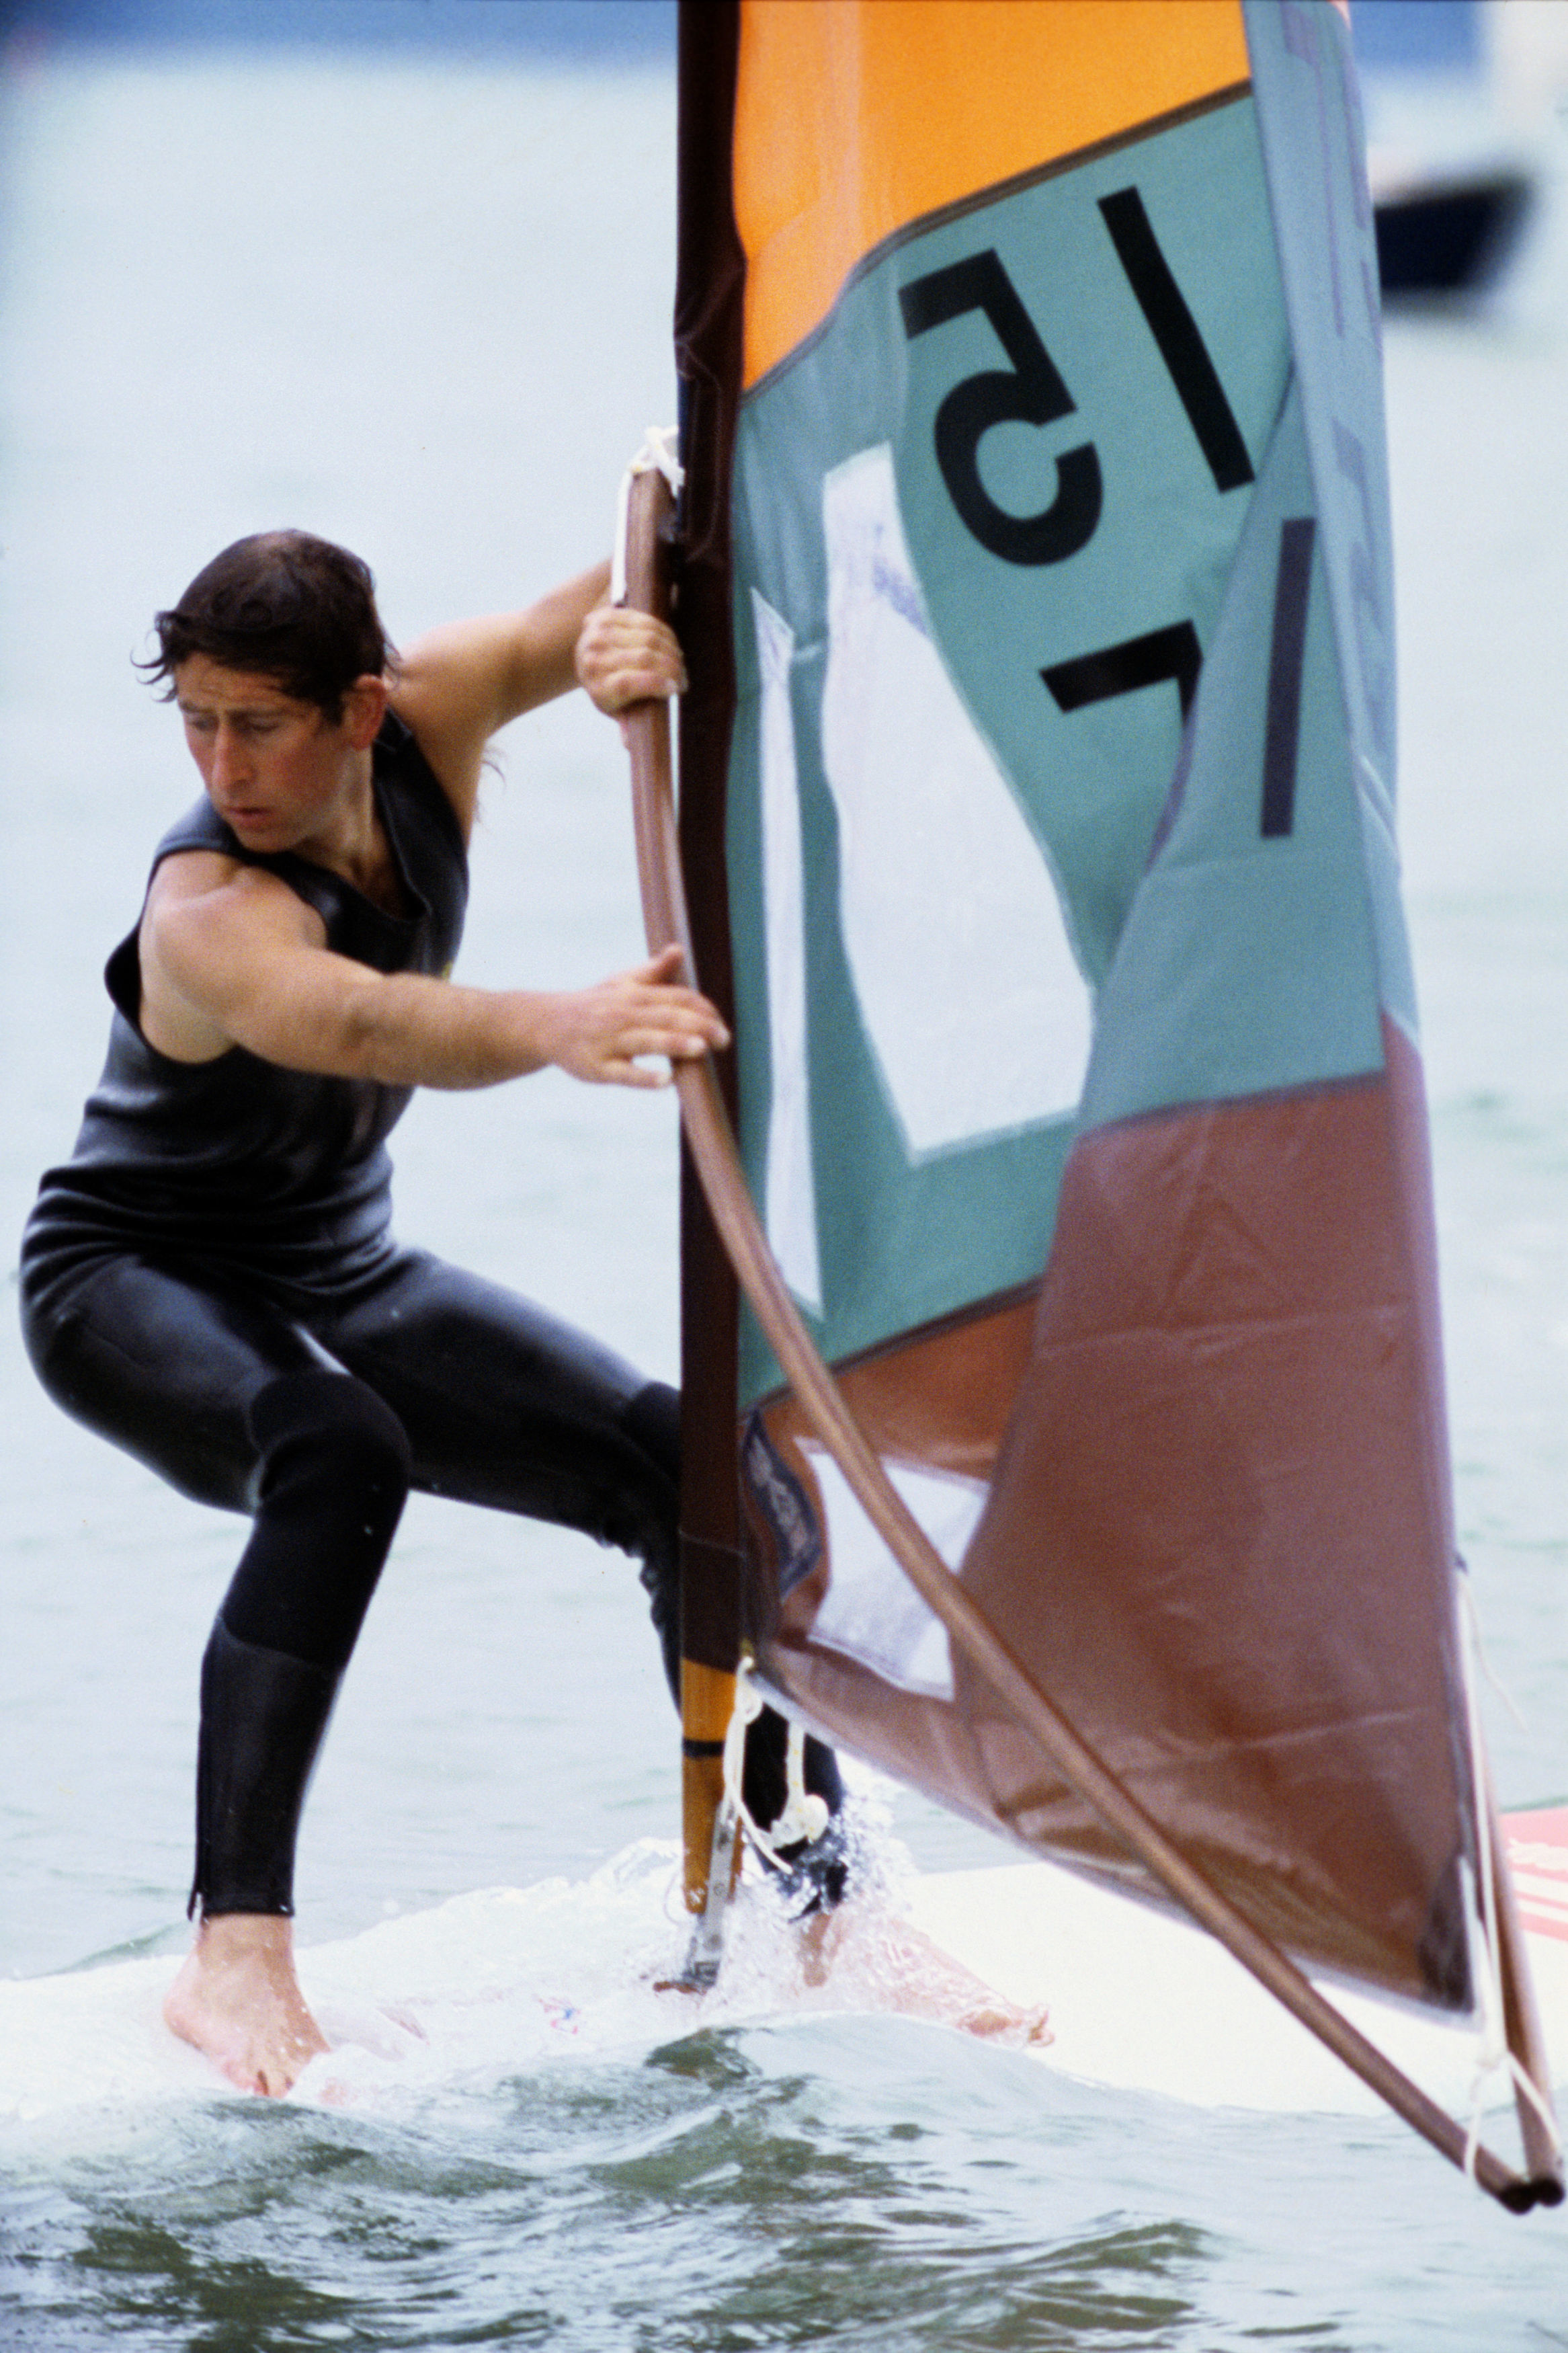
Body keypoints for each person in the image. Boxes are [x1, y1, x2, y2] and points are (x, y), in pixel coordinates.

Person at [17, 528, 845, 2098]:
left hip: (341, 1263)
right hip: (128, 1279)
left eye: (257, 721)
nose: (222, 762)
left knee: (688, 1466)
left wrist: (626, 633)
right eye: (195, 719)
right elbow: (358, 1017)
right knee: (340, 1444)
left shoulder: (440, 710)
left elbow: (639, 551)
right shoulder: (208, 908)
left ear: (365, 706)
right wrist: (563, 1019)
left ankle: (813, 1903)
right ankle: (235, 1953)